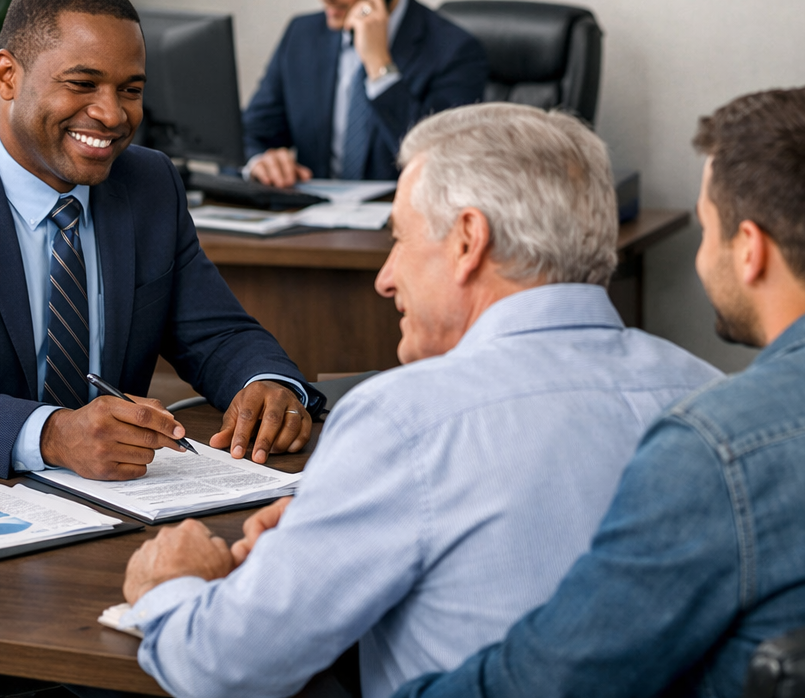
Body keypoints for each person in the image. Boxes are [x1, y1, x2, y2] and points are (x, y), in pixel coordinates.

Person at [390, 88, 805, 698]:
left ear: (749, 249)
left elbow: (554, 679)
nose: (699, 255)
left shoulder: (715, 447)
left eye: (707, 228)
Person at [117, 102, 721, 698]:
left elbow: (223, 667)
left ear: (467, 241)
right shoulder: (715, 398)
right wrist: (327, 529)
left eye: (400, 239)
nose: (385, 276)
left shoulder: (406, 421)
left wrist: (170, 586)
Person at [0, 0, 321, 490]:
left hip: (87, 502)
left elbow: (218, 332)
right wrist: (53, 435)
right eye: (82, 84)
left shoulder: (148, 184)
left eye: (130, 90)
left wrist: (266, 382)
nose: (111, 114)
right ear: (7, 75)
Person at [242, 0, 488, 185]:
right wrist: (259, 161)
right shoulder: (303, 35)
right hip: (309, 219)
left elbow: (443, 162)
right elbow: (250, 133)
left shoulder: (455, 50)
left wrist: (379, 65)